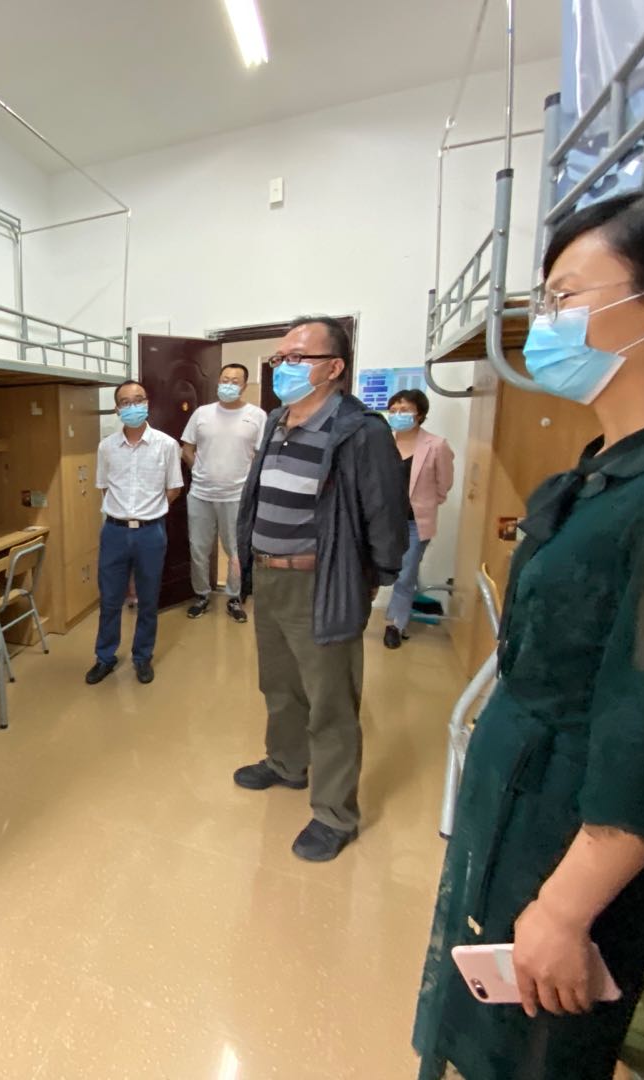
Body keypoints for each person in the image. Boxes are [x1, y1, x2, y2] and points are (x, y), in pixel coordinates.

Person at [412, 178, 644, 1080]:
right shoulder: (609, 465)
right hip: (521, 795)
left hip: (573, 833)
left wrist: (567, 910)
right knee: (478, 1029)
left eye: (565, 298)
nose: (545, 323)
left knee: (529, 1051)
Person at [233, 316, 407, 862]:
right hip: (268, 575)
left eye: (296, 358)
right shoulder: (277, 420)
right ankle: (287, 763)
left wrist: (371, 579)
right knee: (279, 685)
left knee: (331, 700)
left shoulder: (361, 431)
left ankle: (335, 814)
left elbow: (386, 513)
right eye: (279, 358)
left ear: (333, 368)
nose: (282, 367)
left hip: (322, 581)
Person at [87, 379, 184, 686]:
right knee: (110, 600)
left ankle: (142, 657)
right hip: (114, 532)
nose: (133, 406)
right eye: (126, 402)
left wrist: (146, 512)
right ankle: (105, 657)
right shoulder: (106, 447)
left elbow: (173, 489)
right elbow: (104, 487)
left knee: (148, 599)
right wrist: (124, 513)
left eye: (139, 400)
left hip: (150, 533)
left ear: (147, 403)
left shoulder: (166, 445)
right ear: (117, 409)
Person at [181, 363, 267, 623]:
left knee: (236, 552)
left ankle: (234, 597)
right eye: (225, 379)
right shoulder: (202, 414)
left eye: (235, 381)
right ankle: (202, 595)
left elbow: (261, 455)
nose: (228, 384)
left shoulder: (257, 416)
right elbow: (187, 449)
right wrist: (199, 472)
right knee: (199, 549)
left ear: (244, 385)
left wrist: (250, 484)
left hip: (236, 497)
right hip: (201, 494)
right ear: (218, 382)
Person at [383, 388, 454, 649]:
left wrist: (423, 505)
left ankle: (396, 624)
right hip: (383, 522)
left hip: (414, 523)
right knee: (373, 570)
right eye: (393, 410)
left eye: (404, 410)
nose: (397, 415)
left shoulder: (436, 445)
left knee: (405, 575)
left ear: (420, 414)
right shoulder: (383, 443)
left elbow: (443, 485)